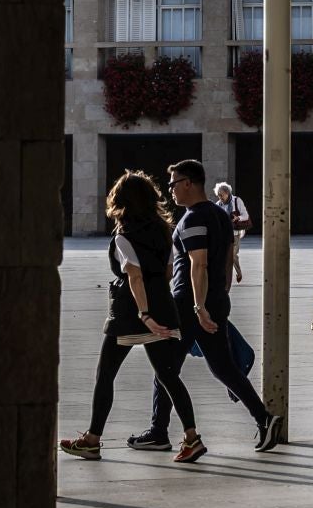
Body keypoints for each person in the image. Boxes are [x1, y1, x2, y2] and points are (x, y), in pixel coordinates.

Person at [59, 171, 206, 464]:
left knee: (105, 375)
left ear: (121, 201)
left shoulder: (123, 236)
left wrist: (144, 313)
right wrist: (156, 310)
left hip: (130, 314)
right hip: (164, 310)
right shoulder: (166, 231)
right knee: (168, 376)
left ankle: (91, 440)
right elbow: (166, 273)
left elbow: (134, 277)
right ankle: (192, 438)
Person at [164, 160, 280, 451]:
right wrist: (220, 295)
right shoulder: (220, 215)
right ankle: (263, 418)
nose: (171, 191)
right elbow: (228, 259)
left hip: (190, 305)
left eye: (174, 184)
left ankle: (156, 431)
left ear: (188, 183)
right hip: (215, 300)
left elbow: (198, 264)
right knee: (223, 368)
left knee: (166, 369)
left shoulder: (191, 219)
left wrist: (199, 307)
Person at [214, 181, 250, 285]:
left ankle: (238, 273)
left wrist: (237, 218)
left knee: (233, 255)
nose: (220, 197)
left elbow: (246, 216)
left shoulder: (237, 201)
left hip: (235, 233)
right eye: (218, 195)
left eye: (221, 195)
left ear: (227, 192)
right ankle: (224, 277)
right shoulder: (218, 204)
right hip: (223, 235)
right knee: (225, 256)